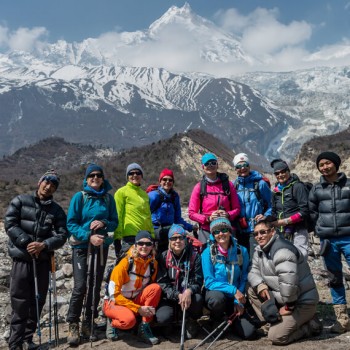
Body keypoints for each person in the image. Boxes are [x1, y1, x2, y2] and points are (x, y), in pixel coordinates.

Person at [5, 170, 68, 350]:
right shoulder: (20, 201)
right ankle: (15, 343)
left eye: (53, 185)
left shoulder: (56, 210)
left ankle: (28, 339)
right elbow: (10, 223)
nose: (48, 187)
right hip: (22, 259)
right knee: (20, 301)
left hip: (42, 261)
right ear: (39, 182)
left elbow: (62, 235)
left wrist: (44, 245)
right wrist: (26, 242)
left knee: (37, 300)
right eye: (46, 182)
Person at [66, 164, 118, 346]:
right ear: (86, 179)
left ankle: (89, 321)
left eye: (98, 175)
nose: (95, 178)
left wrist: (103, 223)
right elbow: (71, 224)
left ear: (103, 178)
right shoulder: (79, 198)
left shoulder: (108, 199)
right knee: (80, 286)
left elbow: (114, 223)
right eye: (91, 176)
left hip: (101, 248)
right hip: (81, 247)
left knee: (95, 285)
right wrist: (89, 235)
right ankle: (73, 322)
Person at [247, 219, 321, 345]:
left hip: (301, 302)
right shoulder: (259, 249)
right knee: (251, 289)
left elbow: (289, 284)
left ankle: (311, 325)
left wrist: (289, 306)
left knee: (276, 337)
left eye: (263, 232)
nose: (259, 236)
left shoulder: (282, 251)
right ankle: (272, 322)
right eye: (256, 234)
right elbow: (252, 271)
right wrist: (260, 285)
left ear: (272, 231)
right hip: (283, 297)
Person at [309, 151, 350, 333]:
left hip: (348, 237)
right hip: (328, 241)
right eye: (321, 165)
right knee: (334, 278)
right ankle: (342, 320)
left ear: (336, 163)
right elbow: (312, 212)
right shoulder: (317, 189)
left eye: (327, 163)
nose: (324, 167)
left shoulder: (349, 185)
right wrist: (318, 230)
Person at [201, 218, 257, 340]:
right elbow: (209, 281)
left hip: (236, 298)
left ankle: (231, 318)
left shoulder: (241, 251)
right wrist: (233, 290)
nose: (220, 234)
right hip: (218, 295)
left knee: (249, 333)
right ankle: (217, 318)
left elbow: (244, 277)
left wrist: (238, 301)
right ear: (213, 235)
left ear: (230, 231)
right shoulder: (207, 253)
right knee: (217, 299)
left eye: (224, 230)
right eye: (216, 232)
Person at [103, 231, 162, 345]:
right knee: (129, 321)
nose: (144, 246)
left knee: (155, 288)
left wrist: (142, 307)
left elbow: (150, 286)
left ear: (152, 246)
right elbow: (114, 295)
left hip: (134, 300)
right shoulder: (124, 264)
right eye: (140, 243)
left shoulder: (152, 263)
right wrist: (138, 309)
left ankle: (144, 326)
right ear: (135, 245)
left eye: (148, 244)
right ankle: (112, 322)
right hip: (115, 302)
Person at [156, 224, 203, 338]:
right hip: (170, 297)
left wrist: (189, 291)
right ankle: (171, 322)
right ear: (169, 241)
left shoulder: (194, 256)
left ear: (185, 239)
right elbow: (162, 282)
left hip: (188, 297)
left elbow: (198, 280)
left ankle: (190, 320)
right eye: (173, 238)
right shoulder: (163, 257)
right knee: (163, 318)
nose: (177, 241)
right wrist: (177, 295)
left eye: (180, 237)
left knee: (197, 299)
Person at [189, 153, 240, 245]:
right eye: (207, 164)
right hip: (207, 230)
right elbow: (192, 213)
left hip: (227, 228)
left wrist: (228, 214)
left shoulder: (228, 185)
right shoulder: (199, 187)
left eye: (213, 163)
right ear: (203, 167)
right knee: (206, 256)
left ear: (217, 165)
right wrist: (208, 218)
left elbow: (237, 209)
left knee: (230, 257)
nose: (210, 166)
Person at [233, 153, 272, 258]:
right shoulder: (234, 185)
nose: (242, 168)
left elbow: (271, 204)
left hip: (256, 228)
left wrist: (265, 216)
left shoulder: (260, 184)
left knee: (255, 259)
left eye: (245, 165)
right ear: (235, 169)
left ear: (249, 166)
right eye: (238, 166)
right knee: (242, 259)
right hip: (240, 229)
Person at [148, 168, 195, 254]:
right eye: (164, 179)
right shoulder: (153, 196)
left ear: (173, 182)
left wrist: (191, 227)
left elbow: (177, 219)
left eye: (170, 180)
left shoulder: (174, 197)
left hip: (170, 232)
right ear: (160, 181)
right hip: (156, 232)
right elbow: (145, 215)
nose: (167, 182)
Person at [270, 158, 310, 258]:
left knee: (300, 256)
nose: (280, 175)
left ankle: (302, 274)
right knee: (284, 257)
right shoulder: (275, 191)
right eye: (277, 173)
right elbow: (274, 211)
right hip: (281, 230)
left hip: (298, 229)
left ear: (288, 171)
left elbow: (304, 211)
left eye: (283, 172)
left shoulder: (298, 187)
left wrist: (285, 221)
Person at [114, 163, 154, 255]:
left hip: (145, 237)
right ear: (127, 176)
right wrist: (117, 239)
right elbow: (118, 216)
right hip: (130, 237)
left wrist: (152, 236)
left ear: (141, 176)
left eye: (138, 173)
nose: (135, 175)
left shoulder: (144, 195)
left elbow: (148, 217)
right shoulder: (121, 192)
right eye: (131, 173)